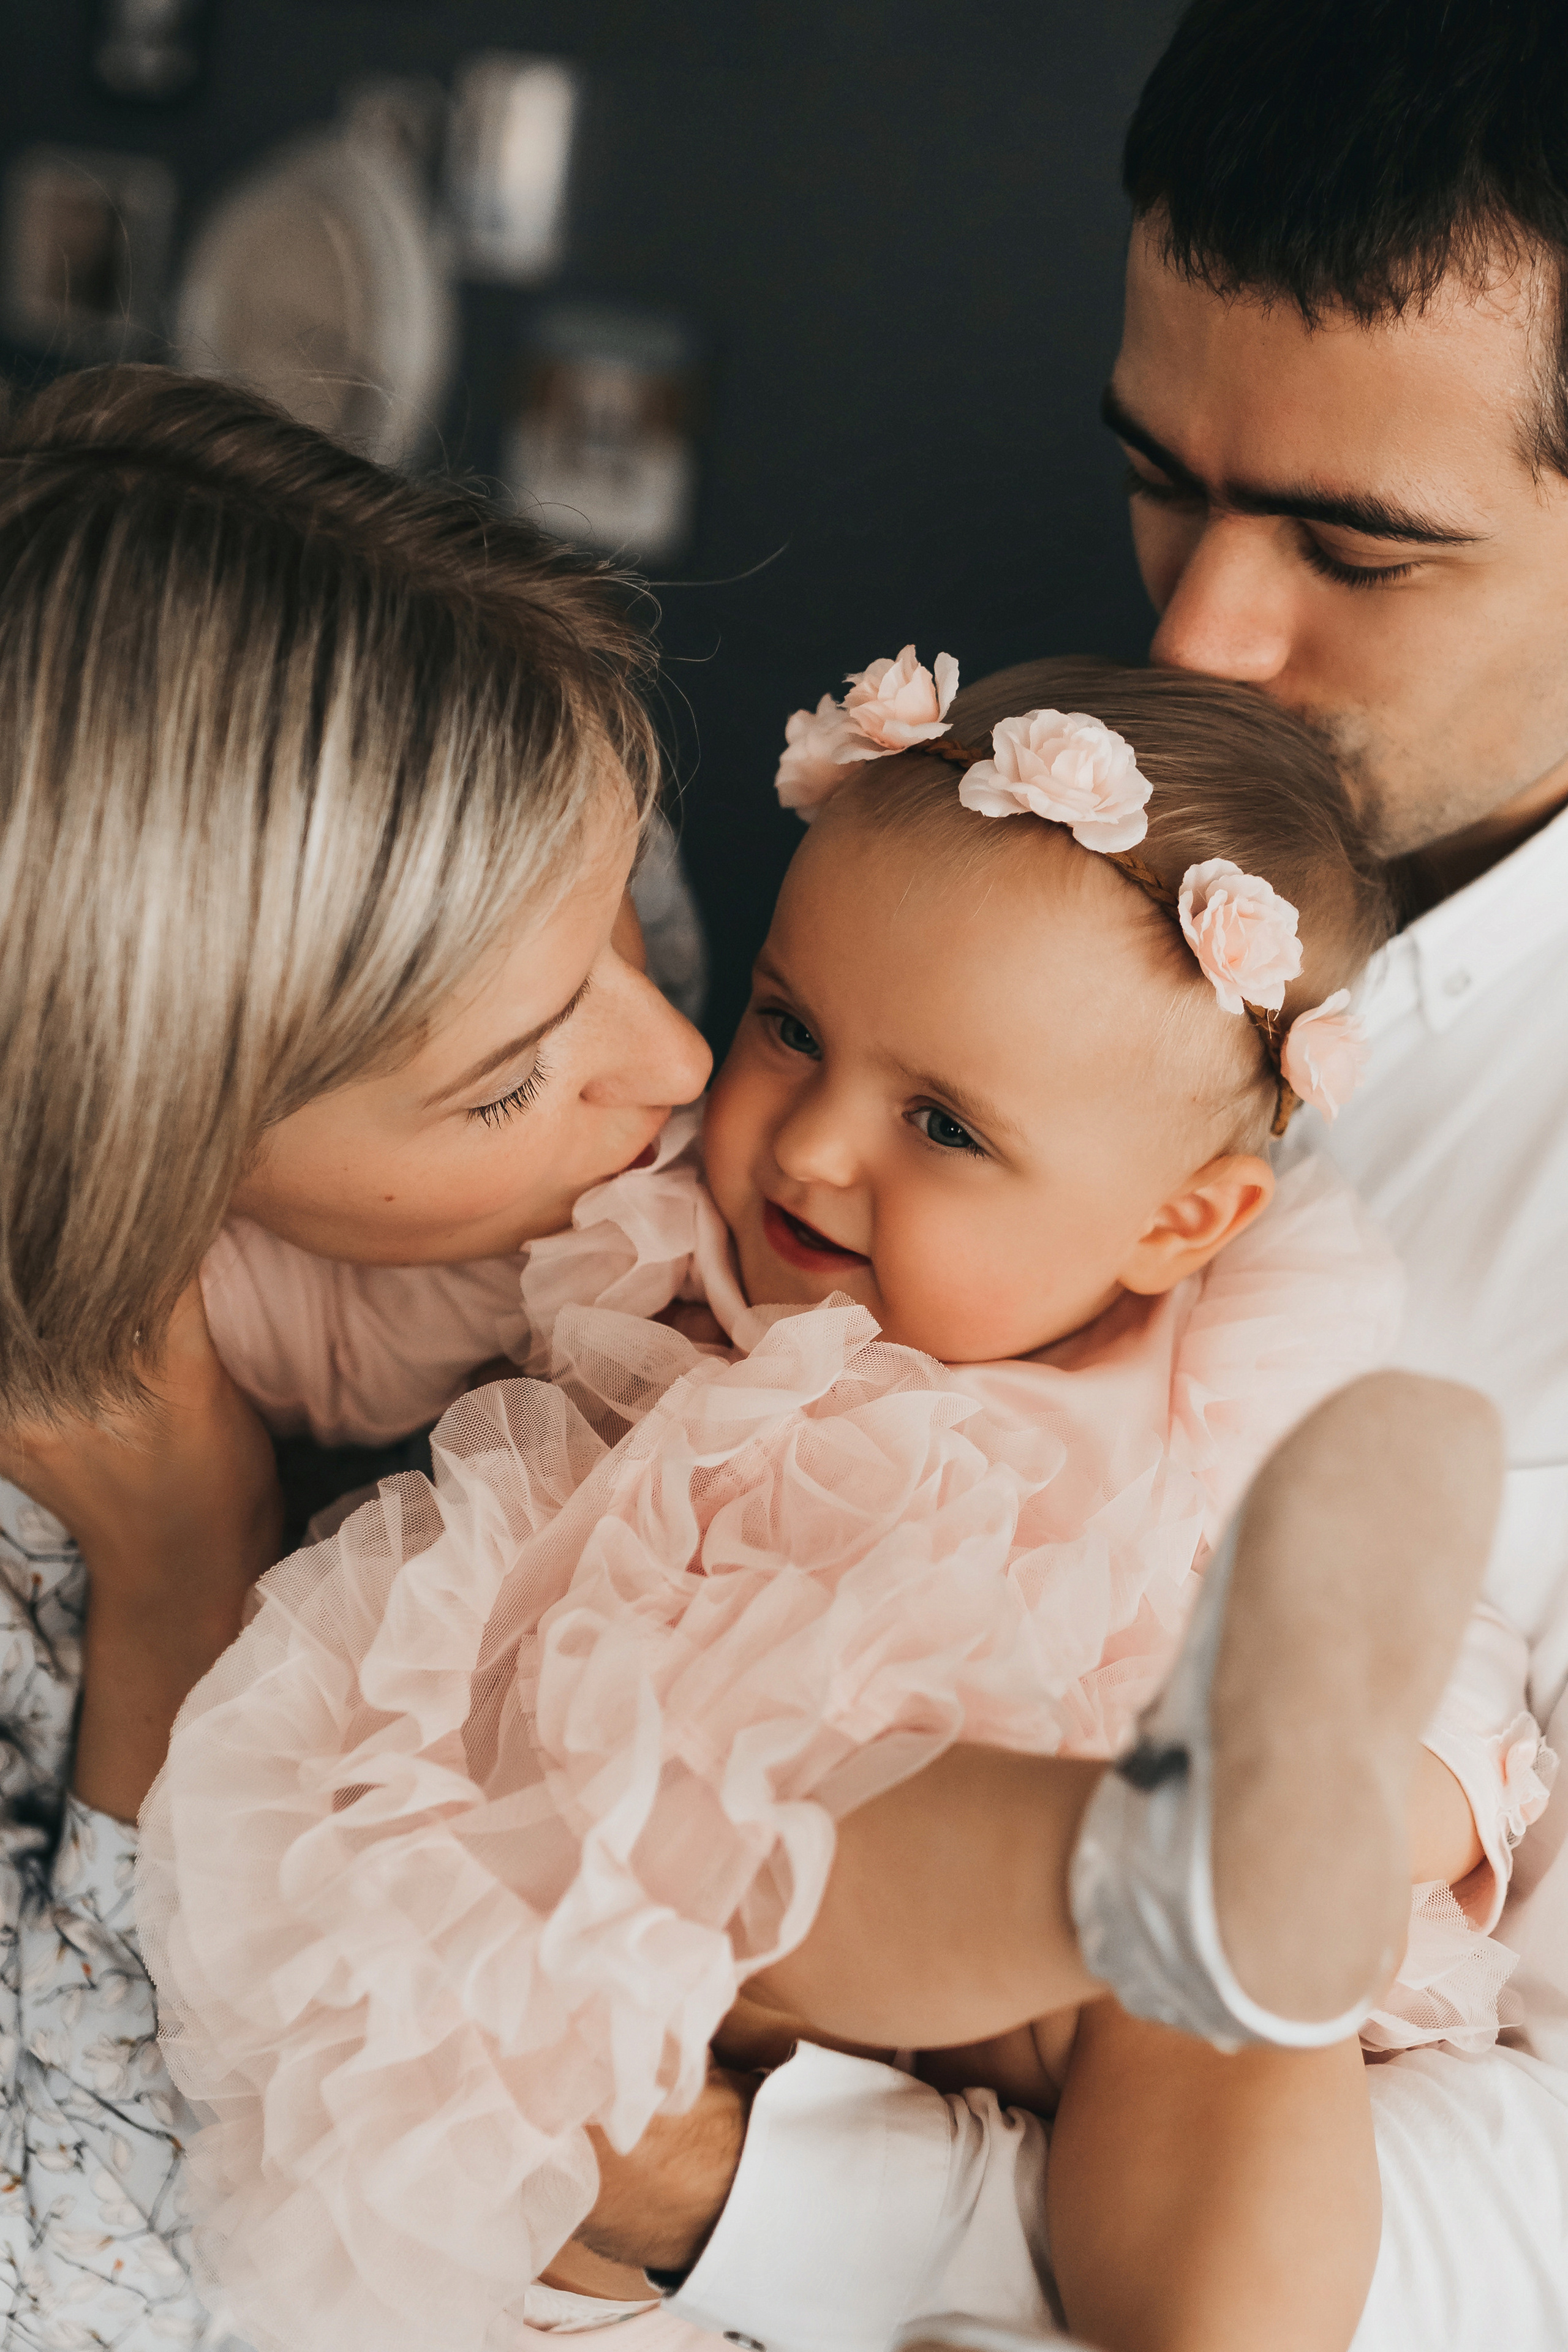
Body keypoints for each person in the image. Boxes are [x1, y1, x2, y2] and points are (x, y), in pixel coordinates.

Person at [140, 651, 1527, 2352]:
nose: (808, 1148)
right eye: (790, 1027)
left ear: (1178, 1225)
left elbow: (1409, 1651)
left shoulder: (1227, 1378)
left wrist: (1390, 1801)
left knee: (1219, 2056)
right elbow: (309, 1315)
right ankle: (1161, 1861)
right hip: (717, 1909)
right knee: (797, 1829)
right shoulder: (645, 1235)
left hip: (1073, 1955)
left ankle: (1204, 1897)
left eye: (940, 1123)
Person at [603, 6, 1568, 2347]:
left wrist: (726, 2191)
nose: (1201, 632)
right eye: (1162, 477)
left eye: (1356, 544)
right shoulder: (1022, 827)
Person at [0, 360, 715, 2345]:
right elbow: (110, 2290)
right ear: (157, 1140)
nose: (674, 1070)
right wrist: (177, 1567)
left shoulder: (541, 915)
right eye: (510, 1083)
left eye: (619, 936)